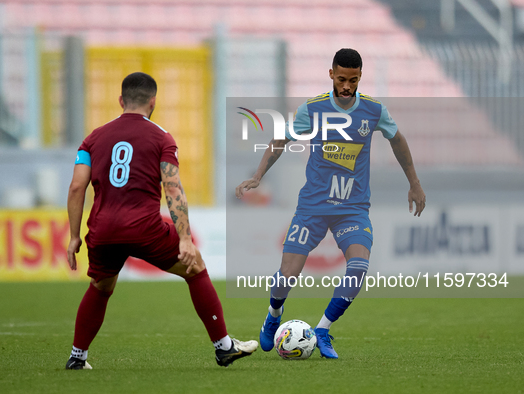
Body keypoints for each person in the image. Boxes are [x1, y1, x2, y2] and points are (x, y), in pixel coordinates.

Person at [235, 48, 426, 359]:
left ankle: (322, 329)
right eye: (341, 79)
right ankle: (273, 314)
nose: (347, 86)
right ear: (331, 75)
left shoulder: (374, 111)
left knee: (359, 267)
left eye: (352, 79)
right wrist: (258, 176)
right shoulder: (314, 109)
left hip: (352, 209)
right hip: (312, 207)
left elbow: (397, 139)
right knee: (287, 275)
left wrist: (414, 183)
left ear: (360, 76)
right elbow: (280, 139)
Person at [65, 72, 257, 369]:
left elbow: (77, 186)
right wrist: (184, 238)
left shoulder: (93, 138)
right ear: (153, 101)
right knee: (195, 267)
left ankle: (77, 358)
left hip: (102, 229)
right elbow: (172, 187)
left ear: (121, 100)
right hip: (144, 227)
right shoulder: (161, 137)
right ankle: (224, 347)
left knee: (101, 287)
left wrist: (74, 235)